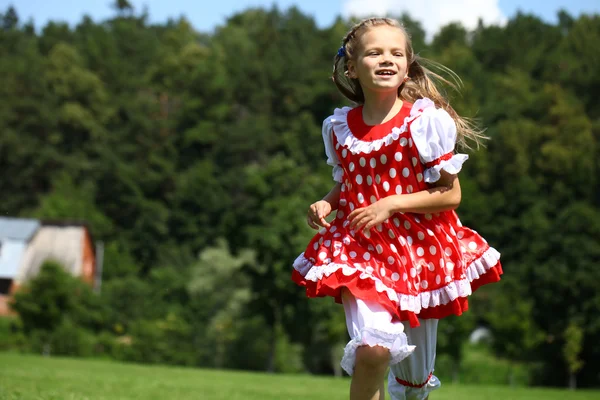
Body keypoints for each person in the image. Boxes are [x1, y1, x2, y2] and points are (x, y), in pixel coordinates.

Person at [291, 17, 503, 400]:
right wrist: (328, 201)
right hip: (361, 250)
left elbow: (450, 195)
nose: (386, 60)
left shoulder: (424, 122)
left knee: (412, 385)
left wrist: (392, 203)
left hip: (417, 255)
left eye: (396, 53)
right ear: (352, 67)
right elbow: (348, 181)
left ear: (407, 65)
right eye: (374, 53)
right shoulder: (340, 127)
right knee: (374, 350)